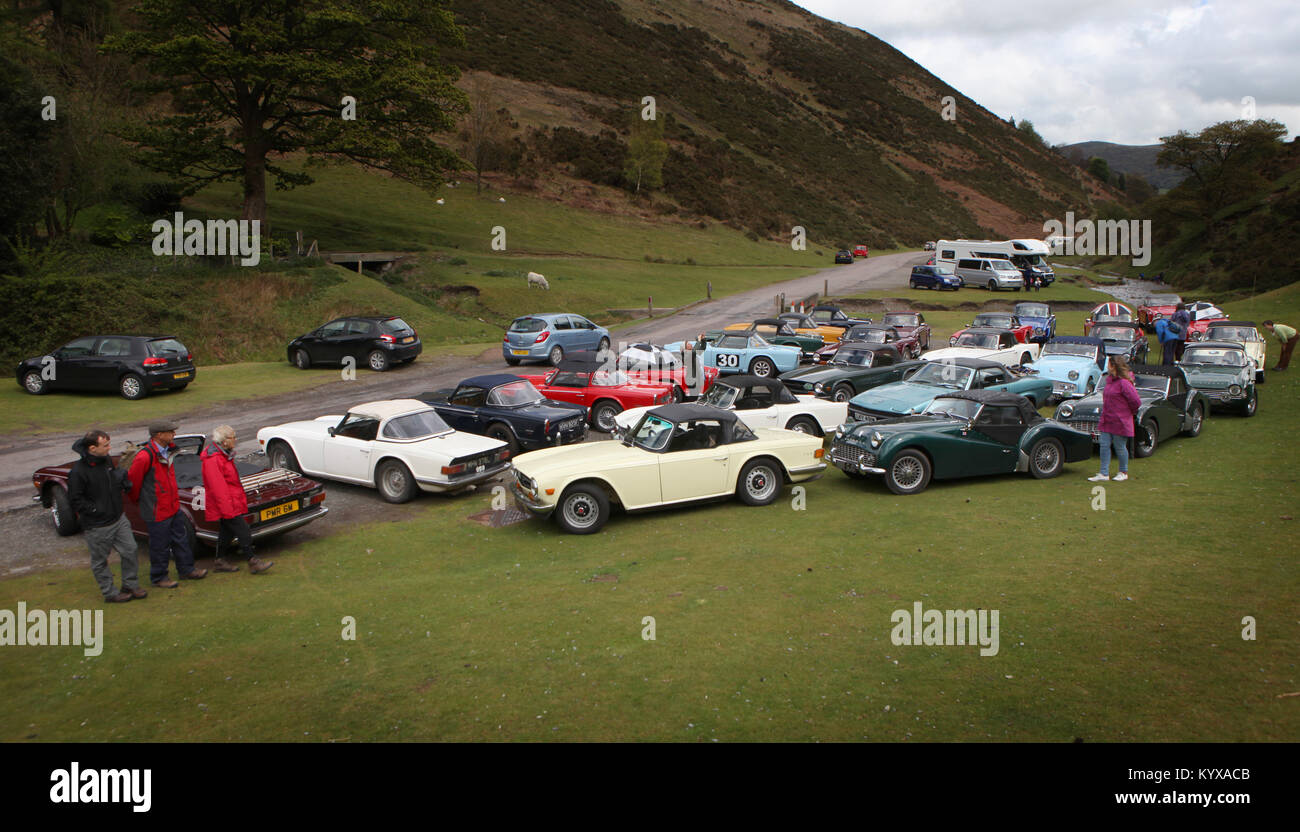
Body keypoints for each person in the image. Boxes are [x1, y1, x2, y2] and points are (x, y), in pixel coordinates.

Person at [68, 430, 145, 603]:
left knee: (130, 550)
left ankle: (130, 584)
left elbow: (111, 480)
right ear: (93, 448)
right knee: (100, 560)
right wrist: (97, 510)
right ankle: (110, 593)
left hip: (118, 518)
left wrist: (121, 481)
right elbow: (75, 500)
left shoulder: (106, 461)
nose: (110, 448)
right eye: (106, 445)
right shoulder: (78, 472)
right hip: (97, 525)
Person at [128, 421, 207, 588]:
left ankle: (186, 569)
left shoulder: (169, 451)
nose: (173, 434)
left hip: (172, 505)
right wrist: (144, 502)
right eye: (170, 431)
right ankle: (159, 577)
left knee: (181, 539)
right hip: (157, 509)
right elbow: (133, 483)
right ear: (158, 435)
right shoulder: (144, 456)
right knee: (160, 545)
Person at [201, 425, 274, 575]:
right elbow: (218, 487)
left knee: (226, 533)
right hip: (226, 504)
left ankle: (219, 561)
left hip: (230, 502)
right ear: (225, 441)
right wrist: (228, 509)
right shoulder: (214, 460)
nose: (235, 440)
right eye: (233, 437)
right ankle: (252, 561)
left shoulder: (222, 455)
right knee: (243, 531)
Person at [1090, 357, 1141, 483]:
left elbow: (1136, 401)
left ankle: (1123, 472)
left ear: (1113, 365)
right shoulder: (1110, 381)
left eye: (1108, 364)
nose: (1107, 366)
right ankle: (1103, 473)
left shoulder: (1124, 383)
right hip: (1107, 419)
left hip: (1120, 421)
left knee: (1119, 447)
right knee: (1104, 445)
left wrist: (1128, 413)